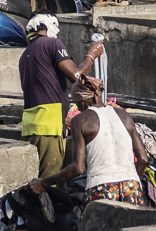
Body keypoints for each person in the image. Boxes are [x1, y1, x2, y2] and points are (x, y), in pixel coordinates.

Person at [28, 80, 150, 209]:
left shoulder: (80, 121)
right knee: (132, 228)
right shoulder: (125, 116)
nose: (78, 108)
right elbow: (143, 159)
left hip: (101, 187)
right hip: (132, 186)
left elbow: (78, 168)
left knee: (98, 228)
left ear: (82, 100)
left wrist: (44, 182)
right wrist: (133, 180)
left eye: (77, 103)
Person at [18, 13, 104, 179]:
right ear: (46, 26)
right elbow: (76, 76)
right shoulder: (52, 43)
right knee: (50, 182)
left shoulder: (25, 54)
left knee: (36, 179)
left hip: (31, 123)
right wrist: (91, 54)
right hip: (49, 124)